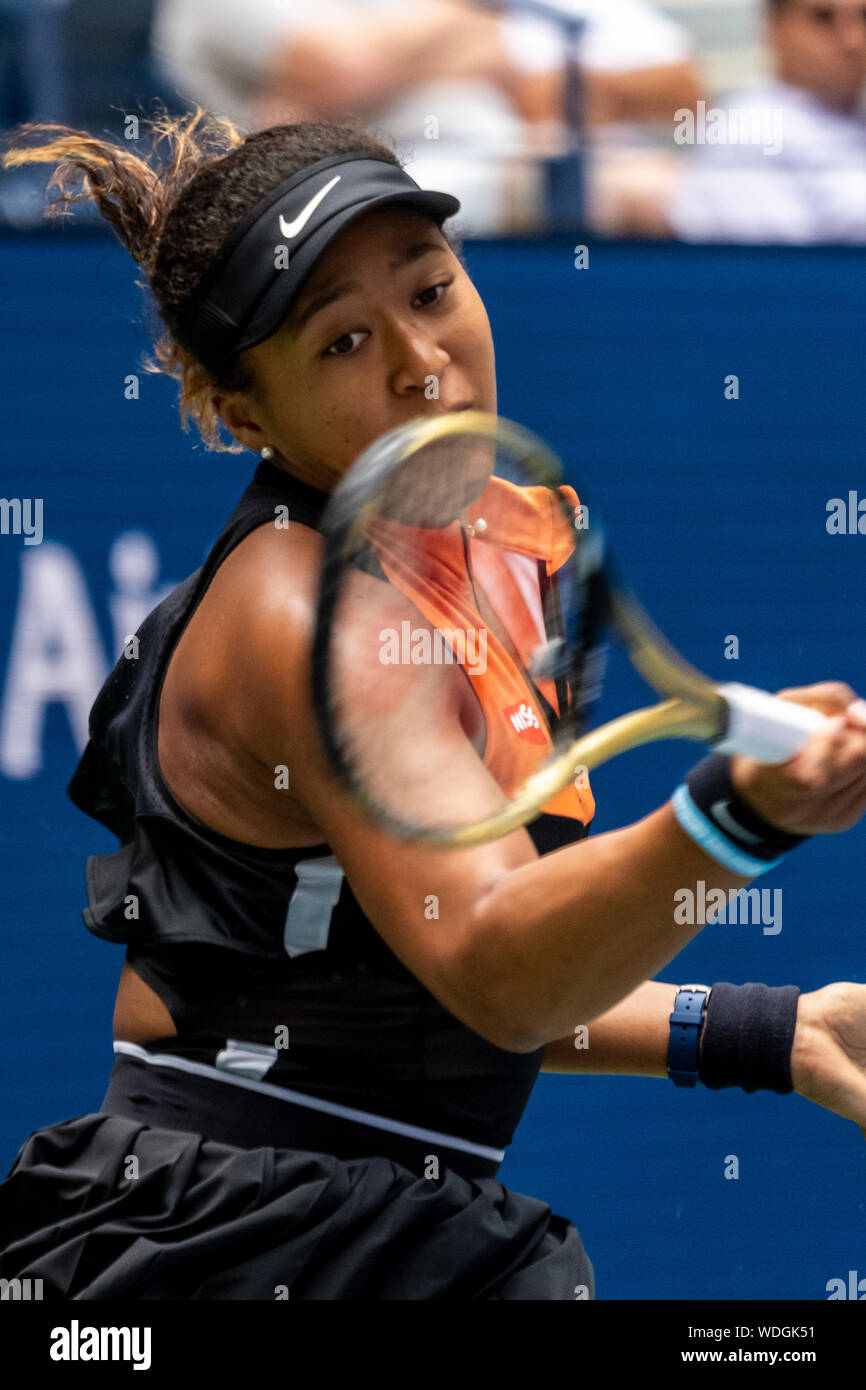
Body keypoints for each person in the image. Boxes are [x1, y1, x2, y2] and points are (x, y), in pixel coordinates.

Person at [1, 108, 866, 1300]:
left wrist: (761, 1030)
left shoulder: (464, 560)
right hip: (243, 1243)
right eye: (342, 341)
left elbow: (404, 997)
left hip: (338, 1210)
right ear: (246, 416)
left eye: (430, 290)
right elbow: (495, 970)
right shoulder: (320, 617)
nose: (418, 358)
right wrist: (735, 821)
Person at [151, 0, 702, 233]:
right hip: (346, 190)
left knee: (692, 187)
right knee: (632, 189)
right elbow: (345, 71)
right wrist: (475, 31)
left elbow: (684, 92)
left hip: (538, 172)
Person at [665, 0, 866, 244]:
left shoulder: (852, 121)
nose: (853, 39)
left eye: (864, 16)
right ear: (773, 28)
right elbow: (789, 269)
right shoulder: (748, 131)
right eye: (823, 18)